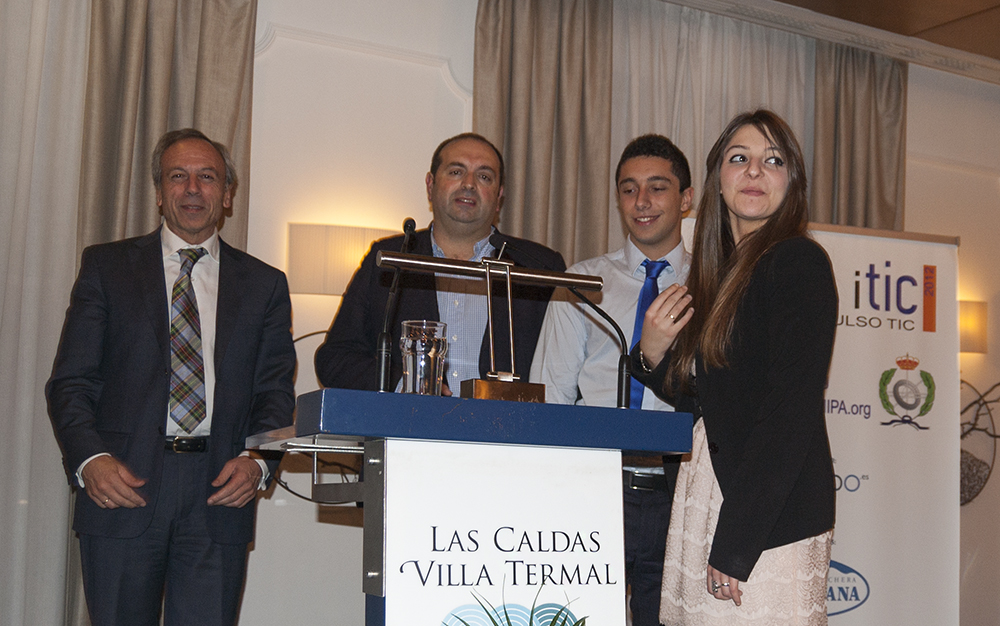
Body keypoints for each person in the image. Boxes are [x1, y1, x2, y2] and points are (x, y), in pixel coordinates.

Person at [46, 129, 296, 625]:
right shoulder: (107, 267)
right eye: (178, 176)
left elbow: (274, 392)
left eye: (208, 177)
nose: (193, 189)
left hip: (219, 489)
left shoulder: (265, 284)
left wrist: (259, 461)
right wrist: (91, 460)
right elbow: (71, 382)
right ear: (159, 192)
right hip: (122, 485)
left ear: (227, 194)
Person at [632, 110, 837, 624]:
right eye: (739, 158)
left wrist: (738, 542)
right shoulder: (718, 274)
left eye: (774, 161)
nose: (754, 171)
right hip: (705, 491)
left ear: (791, 182)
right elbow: (708, 403)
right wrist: (650, 354)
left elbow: (789, 413)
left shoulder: (798, 262)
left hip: (762, 516)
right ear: (717, 180)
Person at [529, 134, 693, 626]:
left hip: (681, 493)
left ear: (686, 199)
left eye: (657, 187)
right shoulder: (582, 282)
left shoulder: (714, 285)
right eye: (628, 189)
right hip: (595, 488)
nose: (641, 201)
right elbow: (552, 396)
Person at [315, 132, 565, 392]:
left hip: (507, 418)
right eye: (456, 172)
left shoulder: (540, 267)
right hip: (408, 417)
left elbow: (565, 369)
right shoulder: (391, 258)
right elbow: (335, 358)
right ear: (430, 185)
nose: (469, 184)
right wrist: (406, 385)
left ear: (499, 195)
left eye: (484, 177)